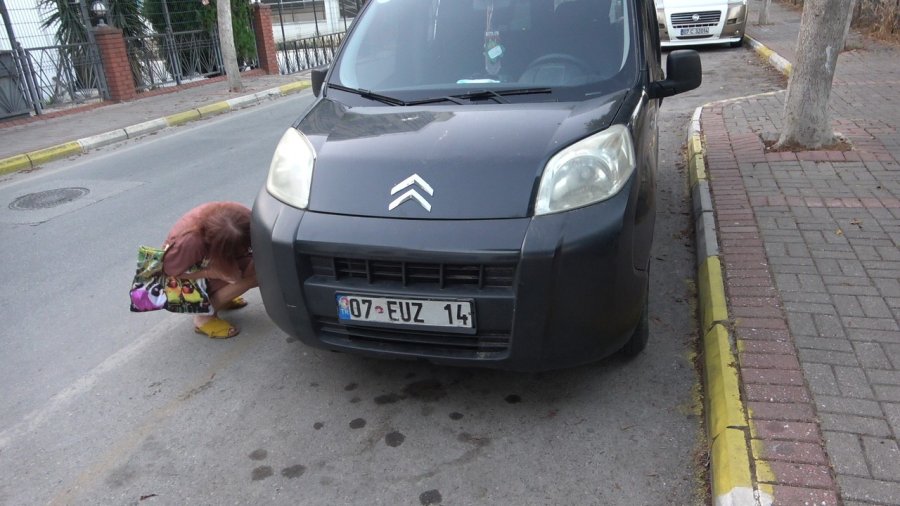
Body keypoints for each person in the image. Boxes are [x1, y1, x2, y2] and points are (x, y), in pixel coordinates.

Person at [163, 201, 258, 338]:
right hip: (184, 277)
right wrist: (211, 273)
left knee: (257, 268)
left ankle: (223, 298)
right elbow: (167, 273)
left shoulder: (243, 217)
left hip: (212, 260)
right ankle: (203, 317)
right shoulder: (190, 242)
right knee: (256, 276)